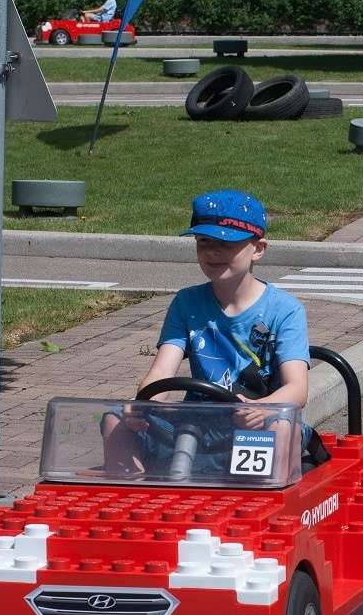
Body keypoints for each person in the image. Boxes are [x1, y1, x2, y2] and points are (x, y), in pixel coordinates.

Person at [103, 190, 316, 474]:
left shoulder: (285, 309)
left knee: (278, 427)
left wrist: (263, 407)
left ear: (258, 249)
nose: (212, 252)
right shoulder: (187, 303)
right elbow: (161, 374)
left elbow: (297, 388)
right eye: (204, 242)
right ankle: (134, 491)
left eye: (226, 243)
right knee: (116, 418)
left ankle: (258, 498)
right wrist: (142, 406)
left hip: (256, 422)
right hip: (197, 423)